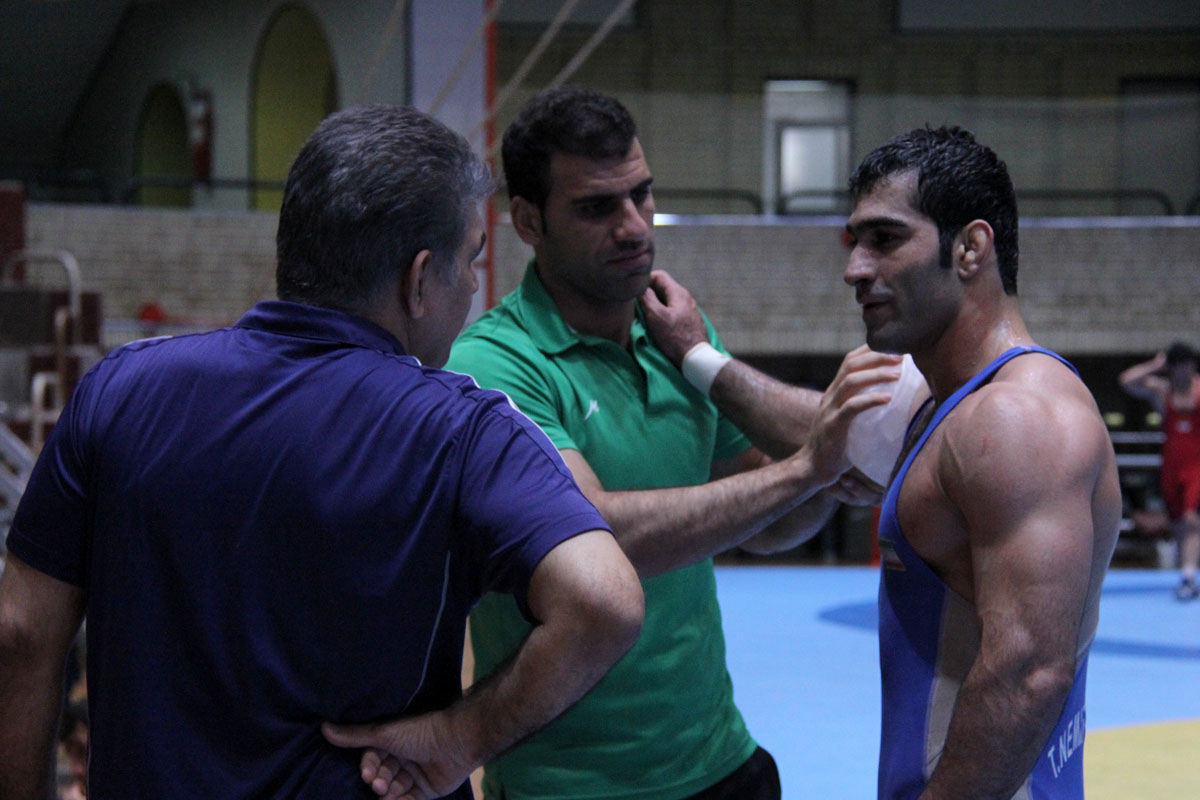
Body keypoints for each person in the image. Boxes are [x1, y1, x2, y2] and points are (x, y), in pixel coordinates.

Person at [0, 104, 645, 800]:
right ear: (419, 279)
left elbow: (20, 634)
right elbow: (603, 602)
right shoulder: (466, 431)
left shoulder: (118, 391)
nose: (470, 288)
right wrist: (463, 736)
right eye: (469, 262)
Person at [445, 85, 900, 800]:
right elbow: (594, 540)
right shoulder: (494, 366)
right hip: (572, 786)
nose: (633, 227)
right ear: (528, 221)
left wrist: (817, 477)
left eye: (641, 194)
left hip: (720, 759)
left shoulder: (677, 334)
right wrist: (805, 470)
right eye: (597, 207)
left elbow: (765, 526)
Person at [841, 126, 1121, 798]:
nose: (855, 269)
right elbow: (816, 440)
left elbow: (1029, 673)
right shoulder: (953, 408)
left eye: (884, 239)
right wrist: (703, 363)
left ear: (970, 248)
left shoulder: (1014, 419)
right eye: (854, 241)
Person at [1119, 341, 1200, 600]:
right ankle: (1186, 571)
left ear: (1193, 366)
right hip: (1172, 466)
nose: (1183, 372)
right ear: (1172, 368)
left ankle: (1188, 576)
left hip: (1197, 466)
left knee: (1191, 518)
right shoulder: (1163, 391)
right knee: (1177, 523)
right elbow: (1127, 380)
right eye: (1178, 366)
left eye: (1187, 366)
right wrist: (1155, 365)